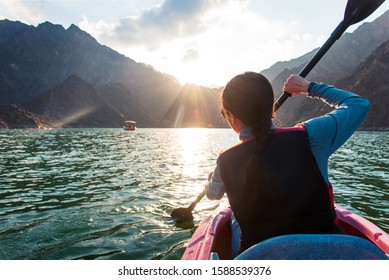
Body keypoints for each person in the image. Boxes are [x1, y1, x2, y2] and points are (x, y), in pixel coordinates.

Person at [204, 72, 370, 256]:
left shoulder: (226, 159)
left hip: (261, 259)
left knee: (233, 216)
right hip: (329, 255)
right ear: (270, 108)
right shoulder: (310, 136)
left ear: (229, 115)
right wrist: (308, 87)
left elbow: (212, 194)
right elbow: (359, 104)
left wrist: (212, 179)